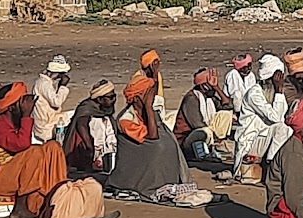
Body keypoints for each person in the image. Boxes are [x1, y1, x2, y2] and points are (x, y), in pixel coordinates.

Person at [110, 53, 195, 198]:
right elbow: (153, 138)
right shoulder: (126, 119)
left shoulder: (143, 111)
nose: (150, 97)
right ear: (137, 98)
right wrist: (148, 107)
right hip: (134, 171)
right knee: (159, 147)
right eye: (147, 95)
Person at [232, 54, 292, 171]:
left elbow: (282, 115)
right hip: (250, 142)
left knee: (288, 131)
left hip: (263, 138)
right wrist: (279, 91)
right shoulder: (254, 94)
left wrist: (279, 93)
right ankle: (270, 167)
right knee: (283, 130)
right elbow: (275, 118)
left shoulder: (274, 93)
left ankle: (276, 164)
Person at [174, 68, 235, 162]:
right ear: (203, 86)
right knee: (205, 131)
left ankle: (215, 146)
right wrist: (214, 136)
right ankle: (204, 153)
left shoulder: (209, 98)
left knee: (226, 114)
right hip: (186, 139)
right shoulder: (192, 99)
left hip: (207, 136)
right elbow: (198, 125)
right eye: (210, 85)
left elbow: (229, 106)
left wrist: (217, 88)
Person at [65, 81, 121, 176]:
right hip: (87, 150)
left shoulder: (104, 111)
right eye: (110, 97)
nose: (114, 100)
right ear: (99, 99)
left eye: (114, 96)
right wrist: (90, 148)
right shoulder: (87, 108)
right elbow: (81, 125)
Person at [31, 57, 72, 145]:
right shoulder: (44, 84)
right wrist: (63, 86)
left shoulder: (44, 82)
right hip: (46, 126)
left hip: (46, 122)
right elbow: (56, 102)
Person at [224, 54, 256, 119]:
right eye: (247, 66)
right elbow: (234, 95)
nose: (250, 68)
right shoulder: (233, 74)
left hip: (248, 107)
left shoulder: (251, 75)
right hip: (233, 106)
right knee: (237, 94)